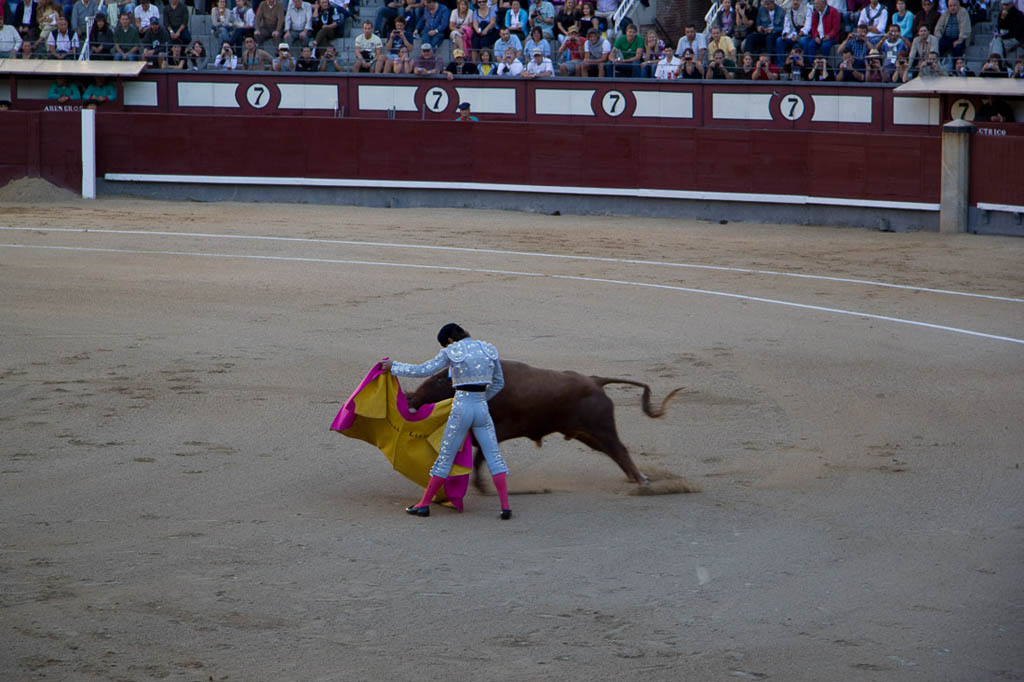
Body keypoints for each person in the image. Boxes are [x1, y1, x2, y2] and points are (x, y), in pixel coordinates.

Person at [381, 323, 511, 520]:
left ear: (450, 340)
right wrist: (481, 399)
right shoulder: (488, 349)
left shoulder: (453, 350)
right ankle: (505, 508)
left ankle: (424, 505)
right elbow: (499, 383)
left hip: (461, 407)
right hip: (481, 408)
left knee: (445, 457)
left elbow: (424, 369)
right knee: (494, 456)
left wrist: (394, 367)